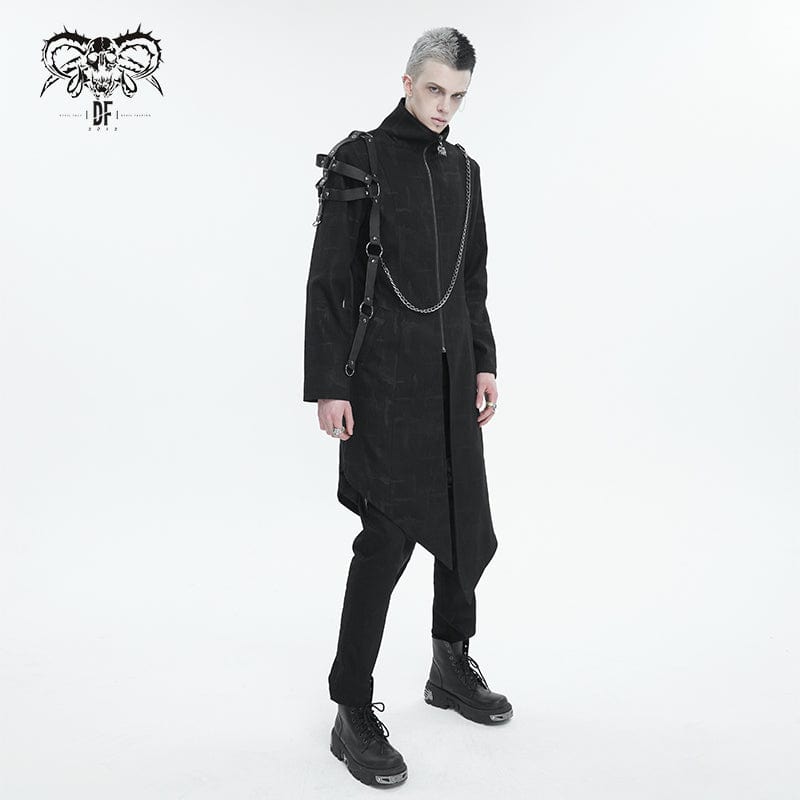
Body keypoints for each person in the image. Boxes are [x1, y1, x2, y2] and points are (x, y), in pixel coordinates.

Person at [303, 27, 512, 788]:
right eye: (433, 90)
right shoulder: (359, 159)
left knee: (463, 524)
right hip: (382, 384)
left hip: (453, 377)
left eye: (457, 96)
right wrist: (330, 384)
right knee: (386, 541)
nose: (444, 107)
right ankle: (351, 707)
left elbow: (472, 278)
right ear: (406, 82)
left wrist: (484, 361)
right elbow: (328, 280)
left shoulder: (465, 172)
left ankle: (449, 664)